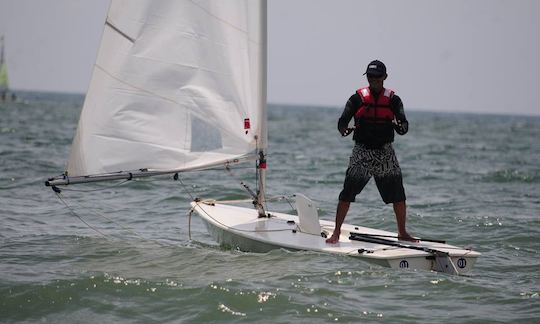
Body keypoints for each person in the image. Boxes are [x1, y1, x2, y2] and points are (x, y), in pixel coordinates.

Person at [326, 59, 415, 244]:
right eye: (370, 76)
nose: (373, 80)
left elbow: (404, 124)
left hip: (385, 153)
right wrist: (344, 130)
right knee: (347, 193)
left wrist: (401, 127)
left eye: (377, 77)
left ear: (385, 77)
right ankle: (336, 232)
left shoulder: (393, 100)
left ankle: (402, 233)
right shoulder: (356, 98)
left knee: (398, 194)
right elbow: (342, 120)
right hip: (362, 152)